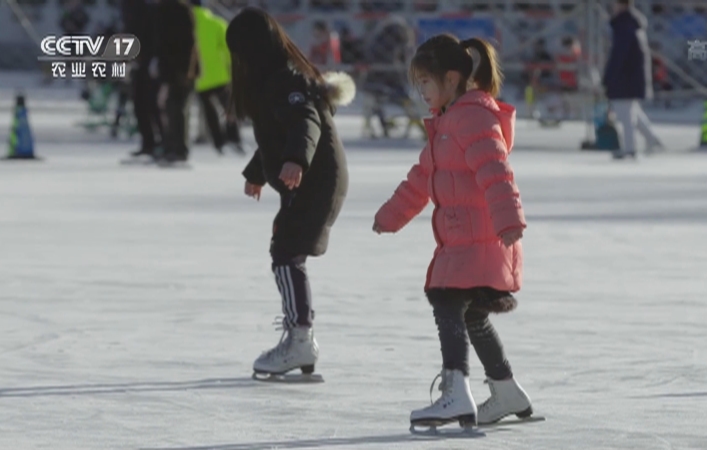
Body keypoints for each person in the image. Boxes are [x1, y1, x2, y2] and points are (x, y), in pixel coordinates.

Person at [373, 34, 533, 428]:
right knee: (473, 314)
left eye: (426, 82)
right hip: (466, 240)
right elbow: (419, 180)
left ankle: (455, 392)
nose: (422, 92)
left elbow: (496, 170)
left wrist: (510, 219)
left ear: (451, 78)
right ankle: (506, 390)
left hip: (479, 239)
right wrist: (390, 216)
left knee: (445, 299)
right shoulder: (446, 123)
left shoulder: (472, 118)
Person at [225, 7, 355, 378]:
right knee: (286, 248)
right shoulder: (276, 81)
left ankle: (300, 339)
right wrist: (258, 173)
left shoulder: (285, 81)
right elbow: (273, 138)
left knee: (286, 252)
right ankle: (300, 339)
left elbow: (305, 123)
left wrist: (296, 159)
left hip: (316, 178)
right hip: (312, 178)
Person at [602, 0, 663, 159]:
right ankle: (652, 140)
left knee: (625, 113)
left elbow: (618, 56)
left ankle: (630, 148)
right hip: (631, 75)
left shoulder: (624, 25)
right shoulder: (630, 23)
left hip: (625, 76)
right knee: (631, 111)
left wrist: (608, 77)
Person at [190, 0, 244, 154]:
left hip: (199, 76)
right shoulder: (216, 23)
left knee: (209, 111)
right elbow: (229, 49)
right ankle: (234, 138)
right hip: (219, 74)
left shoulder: (185, 25)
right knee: (228, 108)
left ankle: (218, 142)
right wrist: (231, 69)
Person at [153, 0, 199, 164]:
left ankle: (179, 149)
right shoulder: (165, 9)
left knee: (177, 108)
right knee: (170, 108)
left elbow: (188, 41)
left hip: (180, 69)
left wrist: (186, 70)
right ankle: (170, 146)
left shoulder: (178, 10)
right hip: (171, 68)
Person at [121, 0, 163, 159]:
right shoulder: (129, 7)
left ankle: (162, 142)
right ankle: (148, 143)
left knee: (153, 105)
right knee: (139, 104)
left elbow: (154, 34)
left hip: (150, 61)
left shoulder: (149, 8)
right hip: (137, 62)